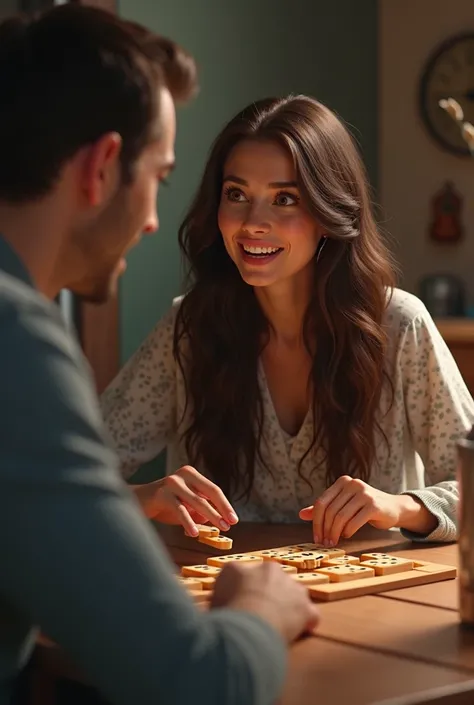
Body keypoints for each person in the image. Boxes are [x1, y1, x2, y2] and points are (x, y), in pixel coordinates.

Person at [0, 7, 319, 705]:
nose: (152, 220)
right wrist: (262, 604)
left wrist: (123, 499)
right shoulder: (17, 343)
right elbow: (200, 684)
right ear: (102, 167)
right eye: (160, 176)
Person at [101, 94, 474, 547]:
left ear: (328, 213)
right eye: (236, 194)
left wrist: (397, 506)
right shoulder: (191, 329)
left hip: (370, 602)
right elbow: (62, 474)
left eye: (285, 199)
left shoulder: (398, 326)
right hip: (224, 602)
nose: (253, 223)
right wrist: (142, 497)